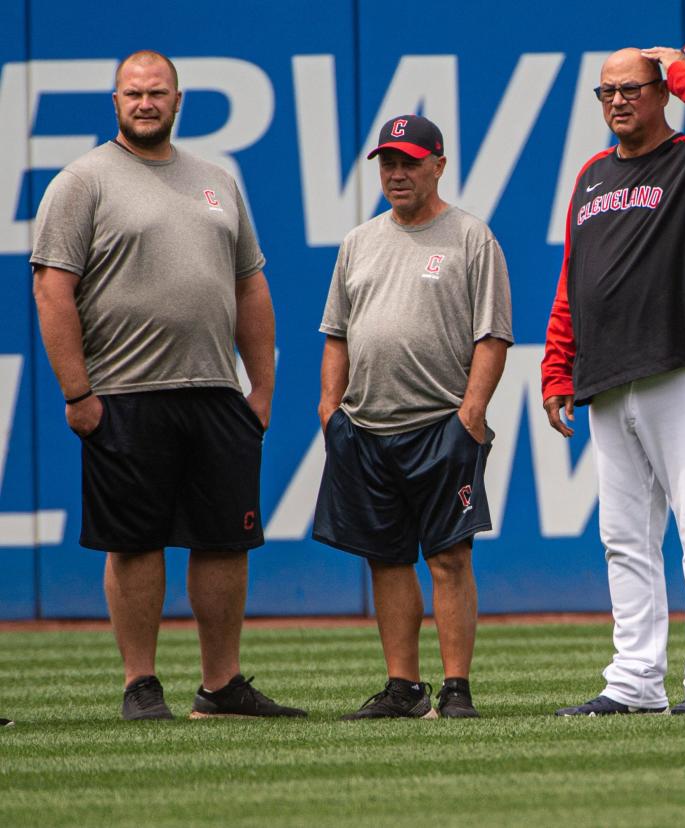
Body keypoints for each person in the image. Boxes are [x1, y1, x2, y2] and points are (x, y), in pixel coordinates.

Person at [29, 50, 304, 721]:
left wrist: (260, 389)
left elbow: (250, 285)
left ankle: (222, 685)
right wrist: (77, 393)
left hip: (214, 389)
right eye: (133, 93)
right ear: (115, 101)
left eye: (157, 92)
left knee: (223, 539)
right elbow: (51, 288)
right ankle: (140, 684)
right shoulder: (82, 180)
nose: (145, 103)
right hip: (124, 391)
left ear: (179, 100)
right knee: (137, 541)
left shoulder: (216, 181)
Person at [542, 37, 685, 716]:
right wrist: (556, 363)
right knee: (624, 541)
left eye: (634, 87)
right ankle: (634, 682)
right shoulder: (591, 174)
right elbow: (574, 278)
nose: (618, 101)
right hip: (606, 375)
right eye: (607, 90)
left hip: (682, 364)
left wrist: (682, 68)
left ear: (664, 91)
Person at [313, 114, 512, 721]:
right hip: (367, 426)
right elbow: (336, 334)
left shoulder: (471, 238)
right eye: (387, 163)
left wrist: (471, 413)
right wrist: (330, 409)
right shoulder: (359, 242)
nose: (396, 173)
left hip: (439, 424)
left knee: (450, 557)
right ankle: (404, 688)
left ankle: (456, 689)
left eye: (409, 162)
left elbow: (493, 335)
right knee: (387, 557)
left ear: (438, 165)